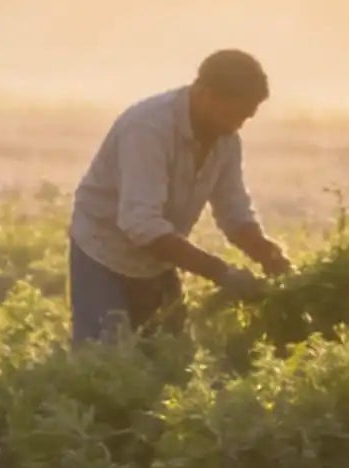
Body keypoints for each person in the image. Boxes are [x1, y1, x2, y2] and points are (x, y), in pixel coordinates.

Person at [67, 48, 291, 343]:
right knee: (103, 360)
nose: (235, 126)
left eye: (244, 118)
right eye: (231, 114)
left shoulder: (225, 139)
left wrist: (268, 255)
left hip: (157, 260)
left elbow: (233, 211)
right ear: (204, 93)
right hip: (104, 251)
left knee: (170, 359)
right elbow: (141, 224)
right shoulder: (147, 129)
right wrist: (221, 273)